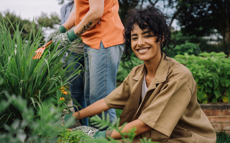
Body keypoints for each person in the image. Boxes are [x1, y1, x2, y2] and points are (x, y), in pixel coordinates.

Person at [63, 6, 216, 143]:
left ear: (161, 38)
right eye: (134, 38)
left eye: (147, 35)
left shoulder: (178, 77)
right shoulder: (137, 73)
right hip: (151, 136)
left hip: (183, 138)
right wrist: (74, 117)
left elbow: (146, 123)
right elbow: (107, 102)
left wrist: (100, 136)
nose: (140, 43)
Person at [46, 0, 124, 125]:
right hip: (91, 40)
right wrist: (62, 29)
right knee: (91, 100)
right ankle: (94, 137)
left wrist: (69, 36)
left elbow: (96, 12)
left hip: (104, 39)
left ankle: (107, 138)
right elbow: (81, 9)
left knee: (100, 101)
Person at [60, 0, 88, 126]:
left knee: (92, 93)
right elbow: (64, 29)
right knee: (76, 94)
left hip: (91, 49)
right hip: (72, 52)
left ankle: (96, 128)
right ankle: (84, 127)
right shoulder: (65, 8)